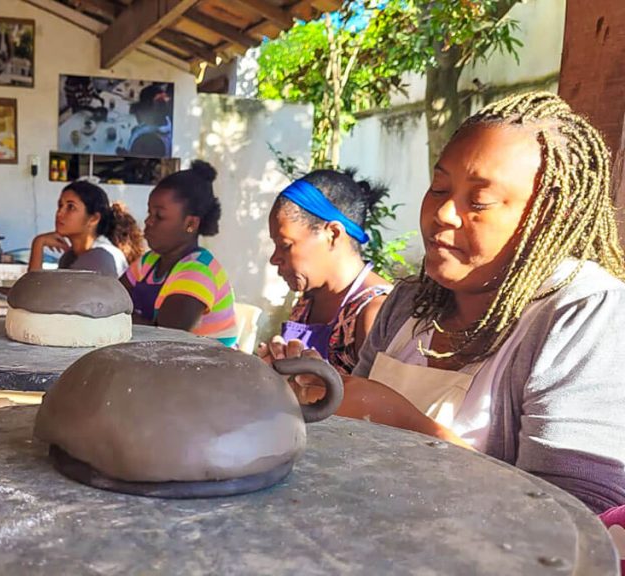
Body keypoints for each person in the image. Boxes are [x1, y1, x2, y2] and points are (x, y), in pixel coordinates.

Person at [261, 92, 625, 513]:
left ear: (550, 215)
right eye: (439, 188)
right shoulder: (409, 304)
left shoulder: (584, 314)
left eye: (479, 201)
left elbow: (580, 517)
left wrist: (404, 424)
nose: (444, 213)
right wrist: (317, 395)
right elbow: (349, 442)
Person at [263, 170, 392, 375]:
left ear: (333, 234)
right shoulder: (308, 301)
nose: (274, 258)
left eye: (285, 245)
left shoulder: (374, 313)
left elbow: (382, 404)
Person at [122, 160, 238, 347]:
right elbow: (112, 300)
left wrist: (119, 318)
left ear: (191, 224)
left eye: (158, 216)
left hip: (210, 370)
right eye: (149, 213)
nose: (148, 221)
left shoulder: (197, 271)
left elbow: (165, 338)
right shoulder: (148, 262)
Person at [28, 180, 139, 277]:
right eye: (60, 205)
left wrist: (38, 244)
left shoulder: (99, 258)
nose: (59, 213)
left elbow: (34, 294)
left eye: (71, 207)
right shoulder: (69, 257)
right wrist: (39, 243)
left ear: (94, 218)